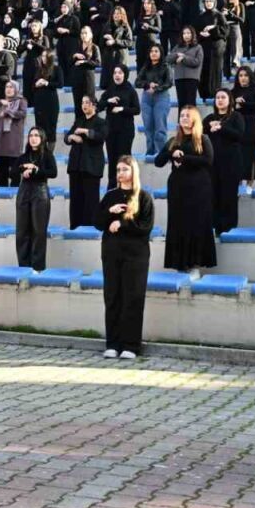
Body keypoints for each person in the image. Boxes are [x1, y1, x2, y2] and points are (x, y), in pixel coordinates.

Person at [94, 154, 155, 360]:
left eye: (125, 169)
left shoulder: (144, 197)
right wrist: (109, 212)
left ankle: (131, 345)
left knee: (133, 298)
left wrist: (122, 223)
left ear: (133, 171)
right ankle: (113, 343)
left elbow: (145, 227)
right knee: (112, 297)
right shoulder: (110, 196)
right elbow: (97, 222)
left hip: (136, 256)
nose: (120, 173)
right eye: (118, 170)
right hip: (112, 254)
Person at [156, 106, 216, 278]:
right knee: (178, 224)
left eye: (187, 116)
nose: (183, 118)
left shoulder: (202, 139)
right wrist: (171, 153)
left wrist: (184, 158)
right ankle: (180, 264)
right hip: (177, 188)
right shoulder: (173, 140)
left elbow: (208, 160)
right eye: (182, 115)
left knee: (196, 223)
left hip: (198, 188)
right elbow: (158, 162)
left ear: (194, 119)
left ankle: (195, 265)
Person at [204, 89, 246, 235]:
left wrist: (221, 128)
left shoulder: (236, 116)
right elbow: (200, 133)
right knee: (213, 196)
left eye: (223, 97)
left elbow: (239, 135)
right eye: (217, 97)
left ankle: (229, 229)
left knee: (229, 197)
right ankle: (215, 228)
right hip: (213, 164)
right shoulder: (210, 118)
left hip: (231, 163)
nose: (220, 100)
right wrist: (209, 128)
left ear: (229, 100)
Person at [15, 127, 57, 272]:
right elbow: (13, 171)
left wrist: (36, 169)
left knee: (38, 232)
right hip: (24, 192)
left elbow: (53, 172)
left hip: (40, 192)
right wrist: (23, 168)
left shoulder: (47, 155)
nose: (33, 138)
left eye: (36, 135)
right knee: (22, 232)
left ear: (42, 138)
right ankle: (23, 267)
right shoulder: (24, 156)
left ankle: (37, 268)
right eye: (31, 135)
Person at [66, 95, 107, 229]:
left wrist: (85, 131)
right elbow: (67, 137)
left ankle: (91, 228)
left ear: (94, 105)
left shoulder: (101, 122)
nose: (84, 105)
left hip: (91, 166)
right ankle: (75, 227)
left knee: (91, 200)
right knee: (75, 199)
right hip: (76, 165)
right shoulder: (79, 120)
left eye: (87, 103)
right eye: (82, 102)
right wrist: (72, 137)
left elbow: (101, 136)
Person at [100, 66, 140, 189]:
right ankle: (112, 188)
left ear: (125, 75)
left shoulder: (130, 90)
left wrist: (122, 109)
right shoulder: (110, 90)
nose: (117, 75)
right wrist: (108, 101)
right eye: (115, 73)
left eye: (120, 73)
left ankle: (126, 186)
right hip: (111, 131)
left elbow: (137, 109)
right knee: (112, 160)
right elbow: (99, 106)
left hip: (125, 131)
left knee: (124, 160)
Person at [0, 80, 29, 189]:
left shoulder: (21, 101)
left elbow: (23, 113)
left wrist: (8, 112)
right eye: (7, 87)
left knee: (15, 171)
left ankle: (15, 192)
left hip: (14, 140)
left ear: (16, 89)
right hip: (2, 140)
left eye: (11, 87)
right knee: (3, 170)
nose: (9, 89)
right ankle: (3, 192)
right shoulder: (1, 102)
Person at [230, 66, 255, 192]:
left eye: (245, 75)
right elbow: (229, 107)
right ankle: (238, 182)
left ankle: (250, 183)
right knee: (238, 154)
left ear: (250, 77)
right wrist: (235, 104)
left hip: (252, 124)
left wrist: (243, 104)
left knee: (251, 154)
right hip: (237, 124)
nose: (243, 78)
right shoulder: (233, 92)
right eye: (240, 75)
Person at [137, 45, 173, 156]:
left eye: (156, 51)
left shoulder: (166, 66)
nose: (153, 53)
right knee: (148, 126)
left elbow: (169, 82)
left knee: (160, 127)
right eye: (151, 51)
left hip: (161, 97)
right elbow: (137, 82)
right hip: (146, 98)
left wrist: (156, 88)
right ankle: (150, 152)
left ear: (161, 53)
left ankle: (161, 153)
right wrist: (148, 85)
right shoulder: (146, 66)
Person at [29, 50, 62, 152]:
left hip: (51, 102)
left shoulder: (56, 68)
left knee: (51, 129)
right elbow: (32, 86)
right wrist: (36, 84)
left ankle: (49, 154)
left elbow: (60, 84)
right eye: (42, 56)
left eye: (45, 56)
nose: (43, 58)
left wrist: (46, 83)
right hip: (39, 102)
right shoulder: (38, 69)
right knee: (39, 128)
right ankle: (40, 152)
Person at [170, 25, 204, 109]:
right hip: (179, 78)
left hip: (192, 78)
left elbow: (197, 62)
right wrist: (177, 55)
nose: (186, 35)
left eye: (188, 33)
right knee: (181, 103)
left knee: (190, 103)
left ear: (192, 34)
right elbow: (168, 59)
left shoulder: (198, 47)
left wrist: (184, 58)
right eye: (184, 33)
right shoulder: (177, 47)